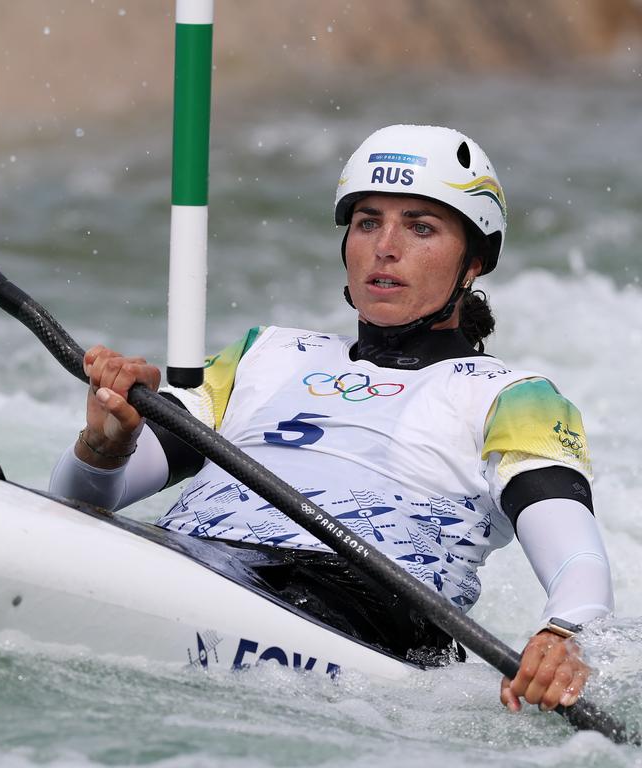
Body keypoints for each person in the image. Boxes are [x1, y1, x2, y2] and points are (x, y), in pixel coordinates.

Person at [49, 125, 613, 713]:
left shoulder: (511, 397)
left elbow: (580, 563)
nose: (385, 247)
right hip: (188, 556)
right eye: (368, 222)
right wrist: (104, 444)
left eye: (420, 227)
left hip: (357, 607)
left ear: (473, 262)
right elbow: (77, 502)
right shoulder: (261, 354)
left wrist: (561, 635)